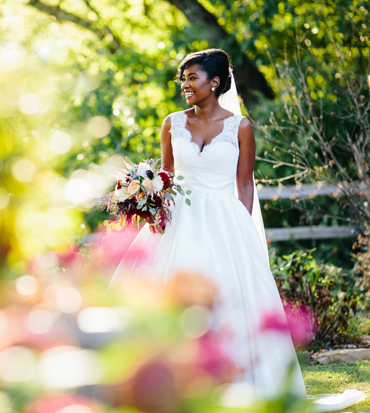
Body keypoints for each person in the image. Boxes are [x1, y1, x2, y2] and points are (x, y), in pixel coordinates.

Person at [108, 49, 364, 410]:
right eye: (182, 78)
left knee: (226, 298)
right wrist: (146, 197)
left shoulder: (240, 127)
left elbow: (245, 185)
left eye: (192, 77)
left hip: (225, 221)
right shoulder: (171, 123)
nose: (185, 85)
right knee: (167, 295)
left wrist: (241, 229)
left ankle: (232, 382)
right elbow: (164, 176)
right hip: (178, 219)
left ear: (214, 82)